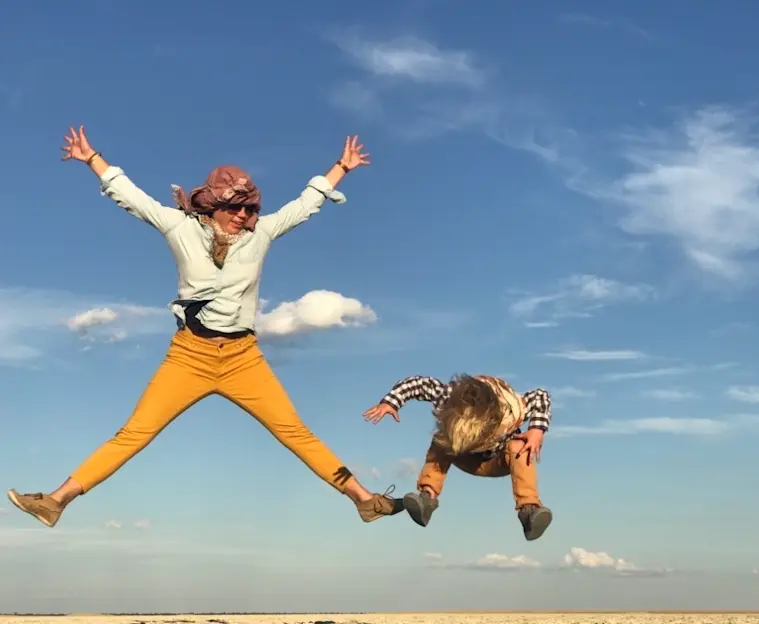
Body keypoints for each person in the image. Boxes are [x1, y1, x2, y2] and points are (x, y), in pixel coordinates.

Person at [7, 125, 403, 528]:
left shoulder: (260, 234)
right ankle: (56, 501)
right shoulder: (180, 228)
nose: (244, 217)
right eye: (235, 208)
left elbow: (305, 204)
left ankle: (364, 500)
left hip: (242, 358)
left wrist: (341, 167)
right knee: (134, 434)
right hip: (189, 356)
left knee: (295, 433)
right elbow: (130, 196)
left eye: (250, 209)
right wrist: (92, 159)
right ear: (212, 205)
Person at [362, 374, 553, 541]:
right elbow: (417, 384)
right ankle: (427, 499)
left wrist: (537, 430)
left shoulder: (511, 410)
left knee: (520, 445)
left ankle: (529, 511)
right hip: (462, 456)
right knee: (442, 439)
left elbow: (540, 396)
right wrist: (391, 402)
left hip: (499, 461)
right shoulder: (447, 397)